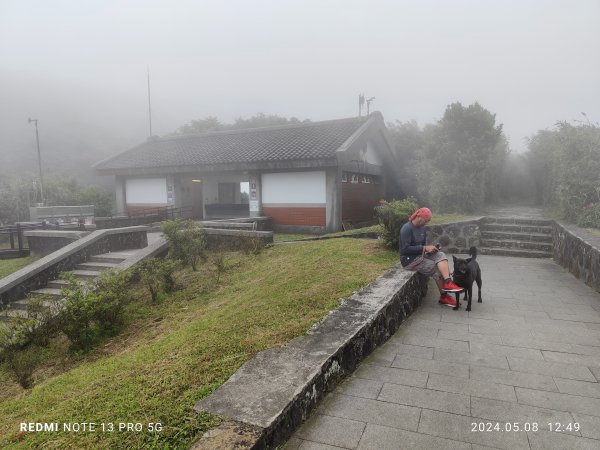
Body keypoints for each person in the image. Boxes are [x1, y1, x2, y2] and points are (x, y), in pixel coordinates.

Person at [399, 207, 464, 307]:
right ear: (419, 216)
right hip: (409, 261)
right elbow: (404, 249)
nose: (427, 223)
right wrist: (425, 248)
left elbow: (422, 247)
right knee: (437, 270)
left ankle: (448, 282)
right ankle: (444, 297)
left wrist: (432, 249)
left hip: (420, 256)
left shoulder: (422, 229)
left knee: (441, 254)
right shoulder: (407, 228)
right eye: (426, 220)